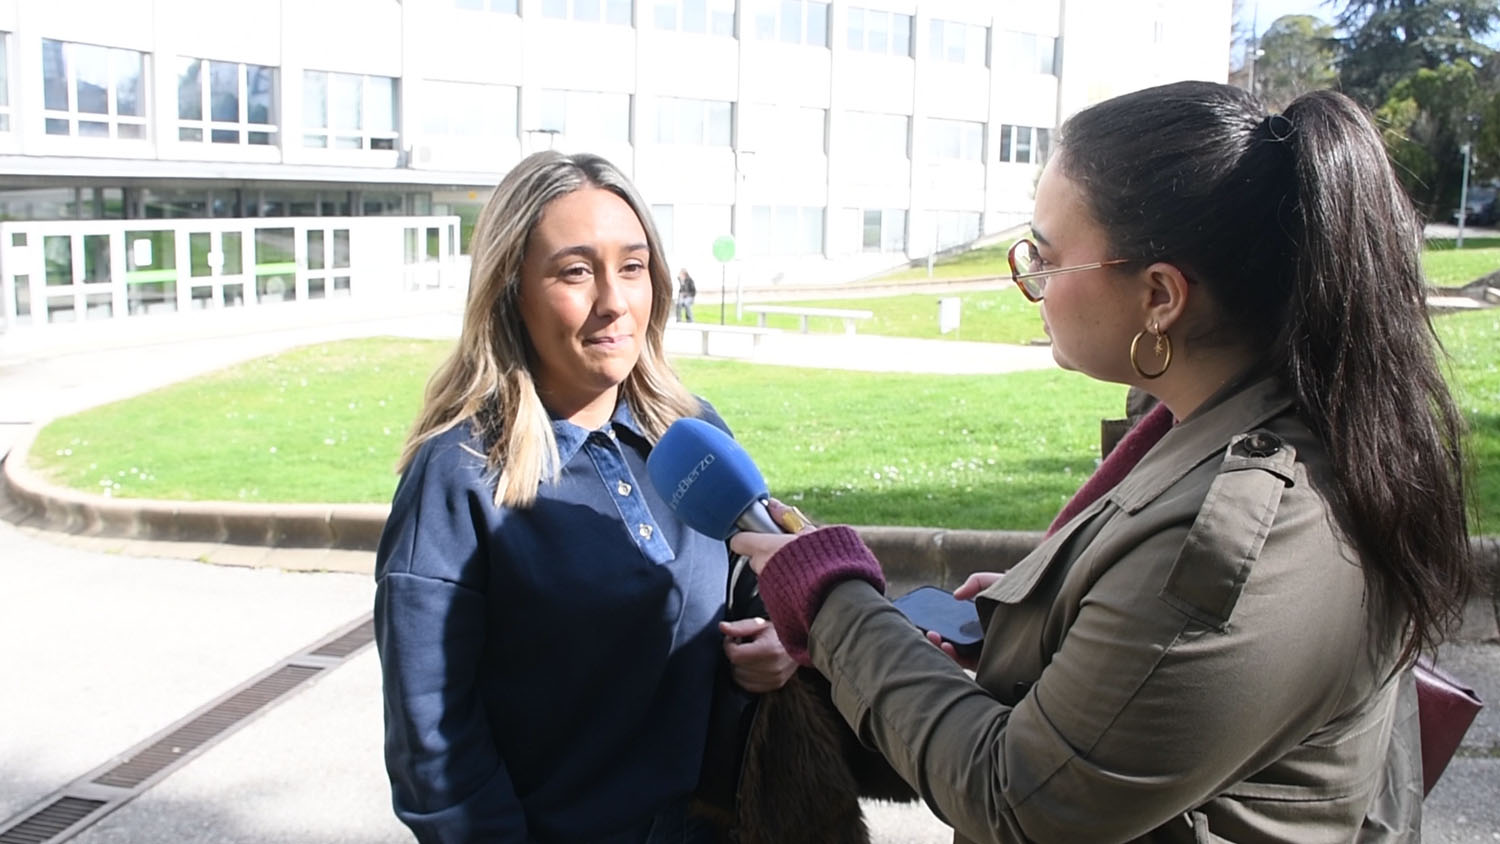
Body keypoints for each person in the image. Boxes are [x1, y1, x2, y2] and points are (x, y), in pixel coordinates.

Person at [730, 81, 1475, 842]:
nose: (1033, 285)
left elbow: (1022, 804)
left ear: (1160, 297)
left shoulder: (1239, 533)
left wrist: (830, 600)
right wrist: (1042, 624)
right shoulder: (1226, 426)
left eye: (1045, 259)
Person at [373, 150, 795, 844]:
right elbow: (433, 747)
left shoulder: (691, 431)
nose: (614, 301)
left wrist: (781, 641)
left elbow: (759, 576)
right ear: (511, 289)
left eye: (632, 267)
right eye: (575, 271)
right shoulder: (458, 476)